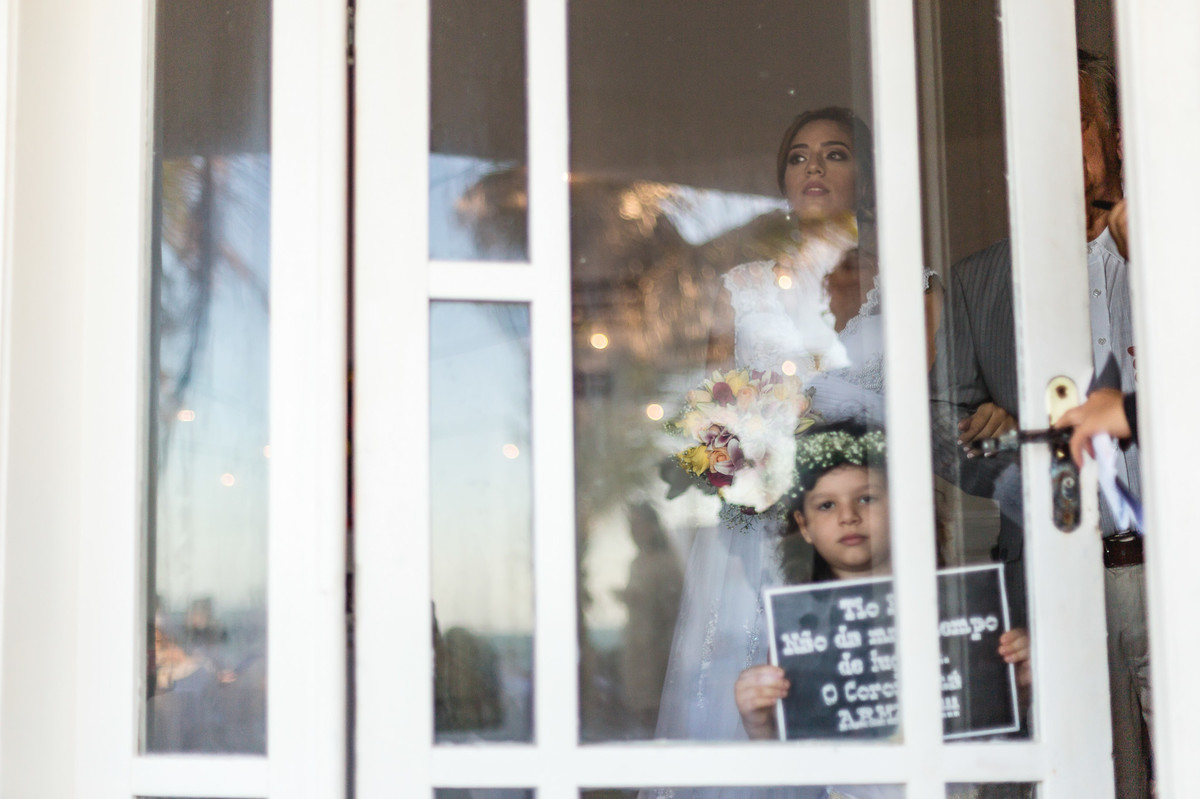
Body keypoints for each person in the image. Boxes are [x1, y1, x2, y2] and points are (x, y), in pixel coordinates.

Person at [653, 108, 911, 749]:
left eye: (835, 153)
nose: (815, 167)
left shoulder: (909, 283)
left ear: (867, 174)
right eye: (799, 156)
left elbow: (929, 410)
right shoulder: (741, 288)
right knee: (752, 709)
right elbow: (707, 417)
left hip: (865, 530)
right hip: (760, 537)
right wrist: (737, 464)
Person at [930, 50, 1150, 797]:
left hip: (1176, 569)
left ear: (1116, 135)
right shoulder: (978, 281)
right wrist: (1008, 452)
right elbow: (942, 424)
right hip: (1053, 576)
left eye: (1073, 124)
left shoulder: (1174, 255)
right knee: (1084, 776)